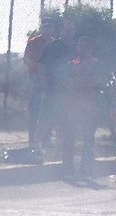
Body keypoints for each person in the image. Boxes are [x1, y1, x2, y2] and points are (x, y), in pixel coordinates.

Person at [59, 36, 104, 178]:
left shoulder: (97, 64)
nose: (84, 50)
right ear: (77, 48)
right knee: (69, 138)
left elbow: (100, 82)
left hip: (90, 107)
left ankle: (85, 170)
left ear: (91, 49)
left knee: (88, 139)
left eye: (87, 47)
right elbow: (65, 84)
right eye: (81, 46)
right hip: (73, 106)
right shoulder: (71, 64)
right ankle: (68, 170)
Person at [37, 18, 77, 153]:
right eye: (66, 30)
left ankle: (61, 150)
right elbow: (41, 66)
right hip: (53, 89)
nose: (68, 33)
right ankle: (36, 147)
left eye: (71, 30)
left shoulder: (76, 48)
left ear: (74, 32)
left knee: (65, 120)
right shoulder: (53, 46)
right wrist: (44, 84)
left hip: (70, 92)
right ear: (62, 31)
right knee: (46, 118)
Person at [23, 20, 55, 149]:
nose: (47, 29)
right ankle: (32, 139)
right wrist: (37, 66)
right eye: (44, 27)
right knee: (35, 109)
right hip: (35, 77)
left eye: (49, 27)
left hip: (51, 79)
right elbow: (26, 59)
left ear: (53, 29)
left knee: (49, 109)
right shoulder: (33, 42)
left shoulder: (54, 43)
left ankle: (46, 140)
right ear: (41, 28)